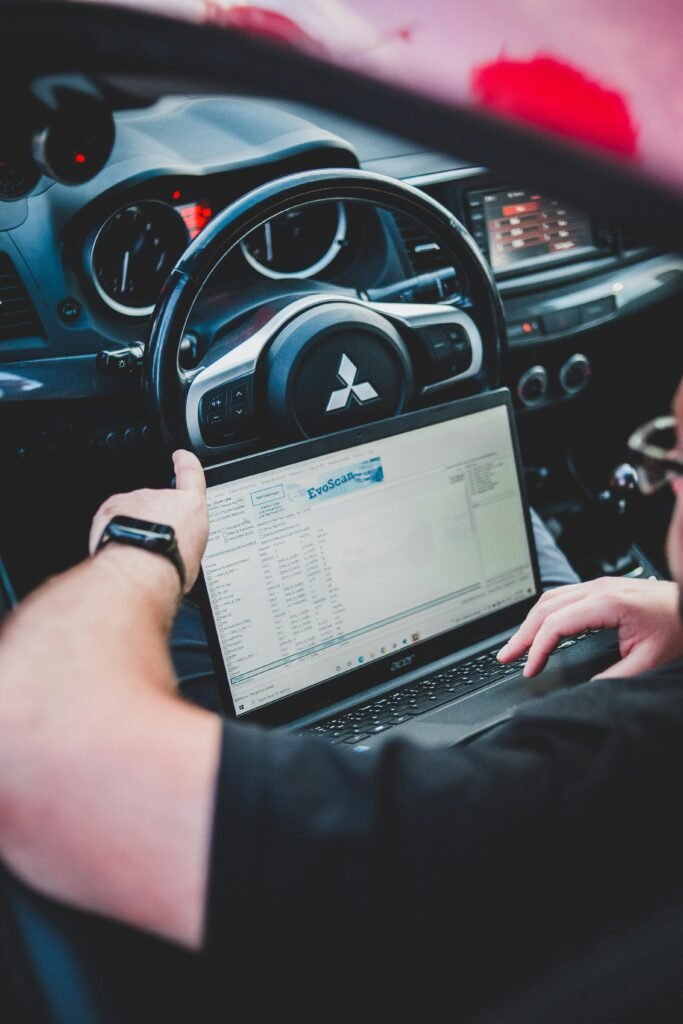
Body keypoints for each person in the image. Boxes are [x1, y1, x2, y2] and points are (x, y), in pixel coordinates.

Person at [3, 387, 683, 1018]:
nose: (668, 482)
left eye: (677, 455)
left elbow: (29, 742)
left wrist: (144, 550)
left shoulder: (593, 776)